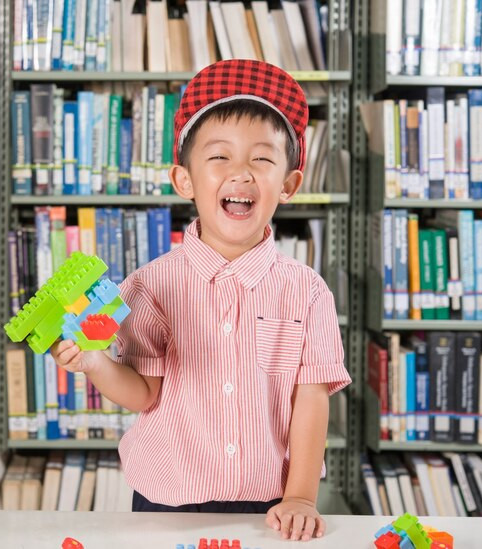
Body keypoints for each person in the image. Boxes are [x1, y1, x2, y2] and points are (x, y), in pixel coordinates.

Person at [50, 59, 351, 542]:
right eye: (219, 158)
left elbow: (311, 401)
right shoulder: (151, 286)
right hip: (166, 497)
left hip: (270, 501)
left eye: (262, 159)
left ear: (289, 184)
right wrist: (94, 362)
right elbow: (144, 394)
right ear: (184, 180)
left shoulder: (307, 291)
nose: (241, 174)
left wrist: (300, 496)